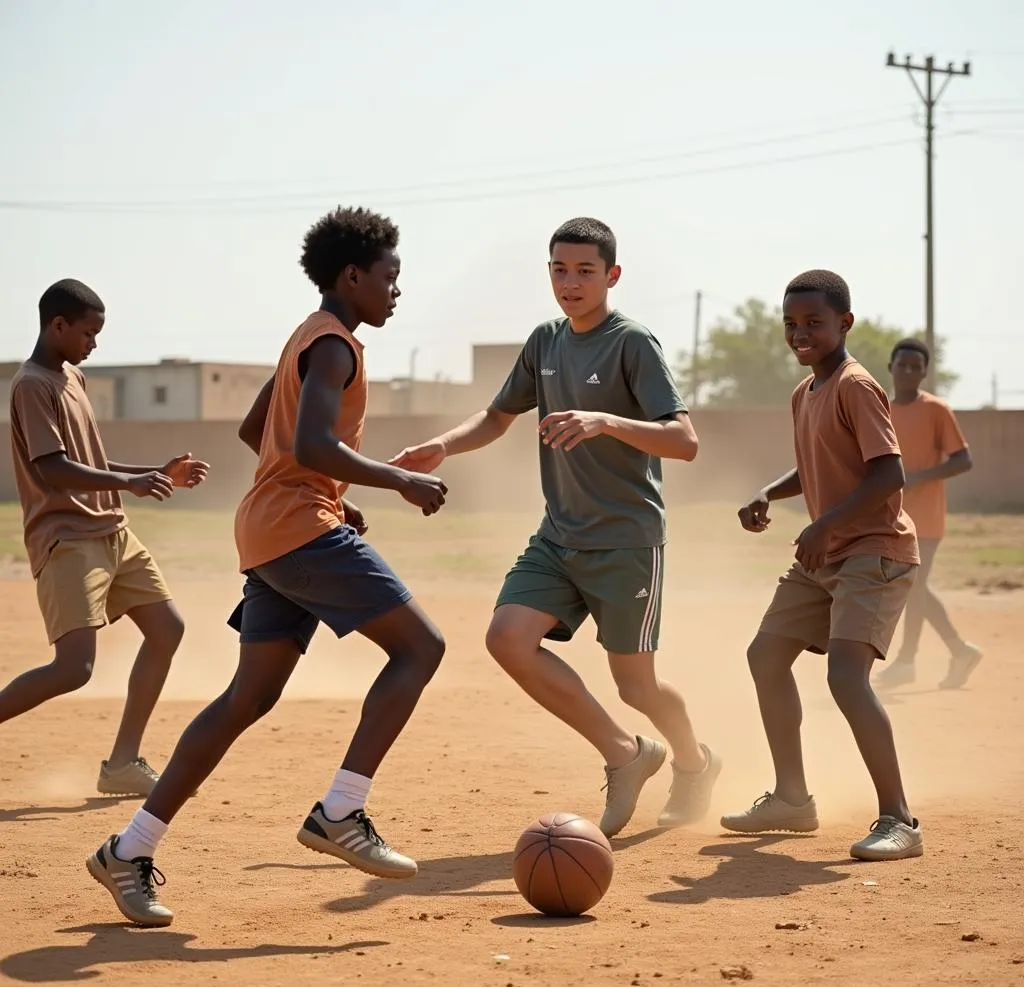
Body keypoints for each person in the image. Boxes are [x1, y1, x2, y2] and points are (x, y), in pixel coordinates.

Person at [88, 207, 449, 927]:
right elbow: (311, 444)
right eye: (391, 276)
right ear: (354, 276)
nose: (397, 290)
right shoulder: (336, 346)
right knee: (422, 647)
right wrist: (395, 481)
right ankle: (341, 811)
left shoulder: (304, 339)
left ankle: (128, 849)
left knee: (246, 699)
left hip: (269, 528)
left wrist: (326, 495)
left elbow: (261, 432)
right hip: (293, 530)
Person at [391, 216, 719, 840]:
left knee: (637, 685)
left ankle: (694, 762)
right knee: (508, 638)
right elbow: (496, 417)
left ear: (611, 276)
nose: (570, 283)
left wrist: (605, 420)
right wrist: (441, 445)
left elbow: (685, 442)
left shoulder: (633, 343)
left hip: (626, 541)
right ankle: (627, 754)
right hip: (558, 536)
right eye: (559, 269)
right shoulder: (545, 340)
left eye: (585, 271)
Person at [724, 270, 924, 861]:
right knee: (765, 655)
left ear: (845, 324)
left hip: (873, 552)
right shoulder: (805, 392)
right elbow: (816, 464)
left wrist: (825, 524)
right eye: (791, 324)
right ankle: (792, 799)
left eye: (813, 323)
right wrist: (769, 492)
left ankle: (900, 819)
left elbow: (889, 472)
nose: (800, 334)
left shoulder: (856, 385)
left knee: (845, 678)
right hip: (824, 552)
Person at [1, 279, 207, 798]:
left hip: (113, 532)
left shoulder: (74, 376)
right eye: (89, 333)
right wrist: (129, 484)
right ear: (58, 326)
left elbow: (91, 462)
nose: (94, 343)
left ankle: (122, 762)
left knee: (167, 629)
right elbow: (53, 469)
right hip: (68, 537)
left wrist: (154, 472)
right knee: (74, 669)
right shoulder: (32, 384)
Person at [874, 339, 981, 689]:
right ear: (890, 367)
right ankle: (959, 650)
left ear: (924, 372)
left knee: (914, 584)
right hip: (890, 517)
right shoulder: (879, 410)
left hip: (927, 517)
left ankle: (907, 660)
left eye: (915, 366)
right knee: (912, 586)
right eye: (901, 365)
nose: (907, 371)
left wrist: (917, 477)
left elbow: (962, 459)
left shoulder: (936, 410)